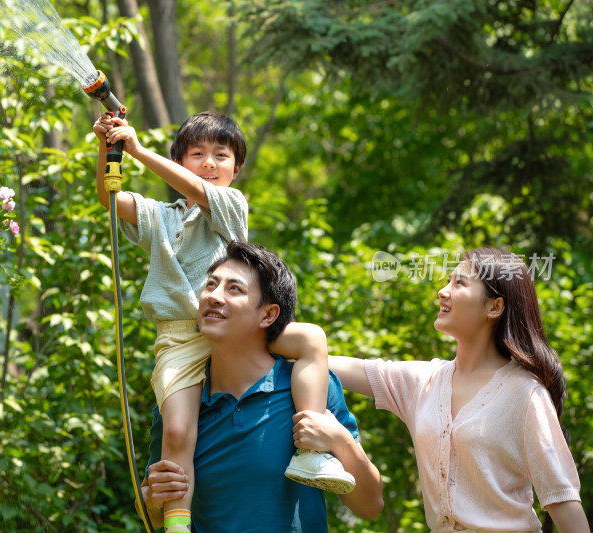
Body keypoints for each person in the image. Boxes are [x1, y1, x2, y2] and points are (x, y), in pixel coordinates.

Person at [94, 114, 354, 532]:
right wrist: (109, 149)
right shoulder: (161, 215)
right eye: (197, 155)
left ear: (237, 169)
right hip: (180, 338)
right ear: (179, 161)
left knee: (310, 338)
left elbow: (198, 190)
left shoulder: (231, 206)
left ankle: (311, 444)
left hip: (236, 328)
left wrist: (140, 151)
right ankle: (177, 526)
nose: (209, 164)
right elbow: (112, 199)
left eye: (221, 156)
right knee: (177, 432)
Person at [330, 247, 589, 533]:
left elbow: (563, 501)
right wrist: (285, 336)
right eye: (447, 281)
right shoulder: (423, 381)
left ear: (494, 307)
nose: (442, 291)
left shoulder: (526, 394)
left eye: (459, 283)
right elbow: (327, 363)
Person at [140, 241, 384, 532]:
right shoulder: (179, 402)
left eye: (234, 289)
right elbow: (155, 516)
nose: (214, 296)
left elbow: (370, 506)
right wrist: (152, 500)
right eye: (210, 285)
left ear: (268, 315)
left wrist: (339, 441)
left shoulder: (310, 388)